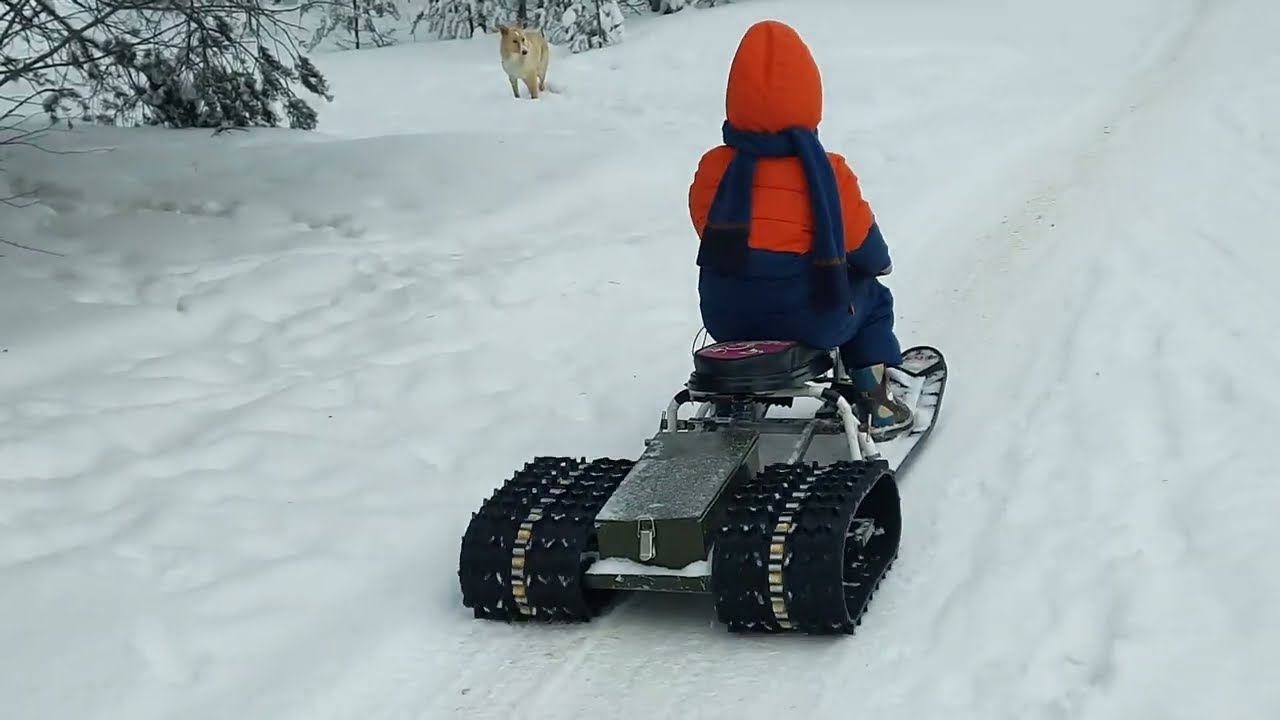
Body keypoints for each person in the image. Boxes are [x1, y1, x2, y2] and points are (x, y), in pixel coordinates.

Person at [687, 18, 913, 441]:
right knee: (872, 299)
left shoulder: (715, 168)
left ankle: (736, 400)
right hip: (811, 320)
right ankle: (878, 400)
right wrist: (875, 264)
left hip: (727, 318)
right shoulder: (828, 172)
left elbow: (707, 230)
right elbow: (863, 245)